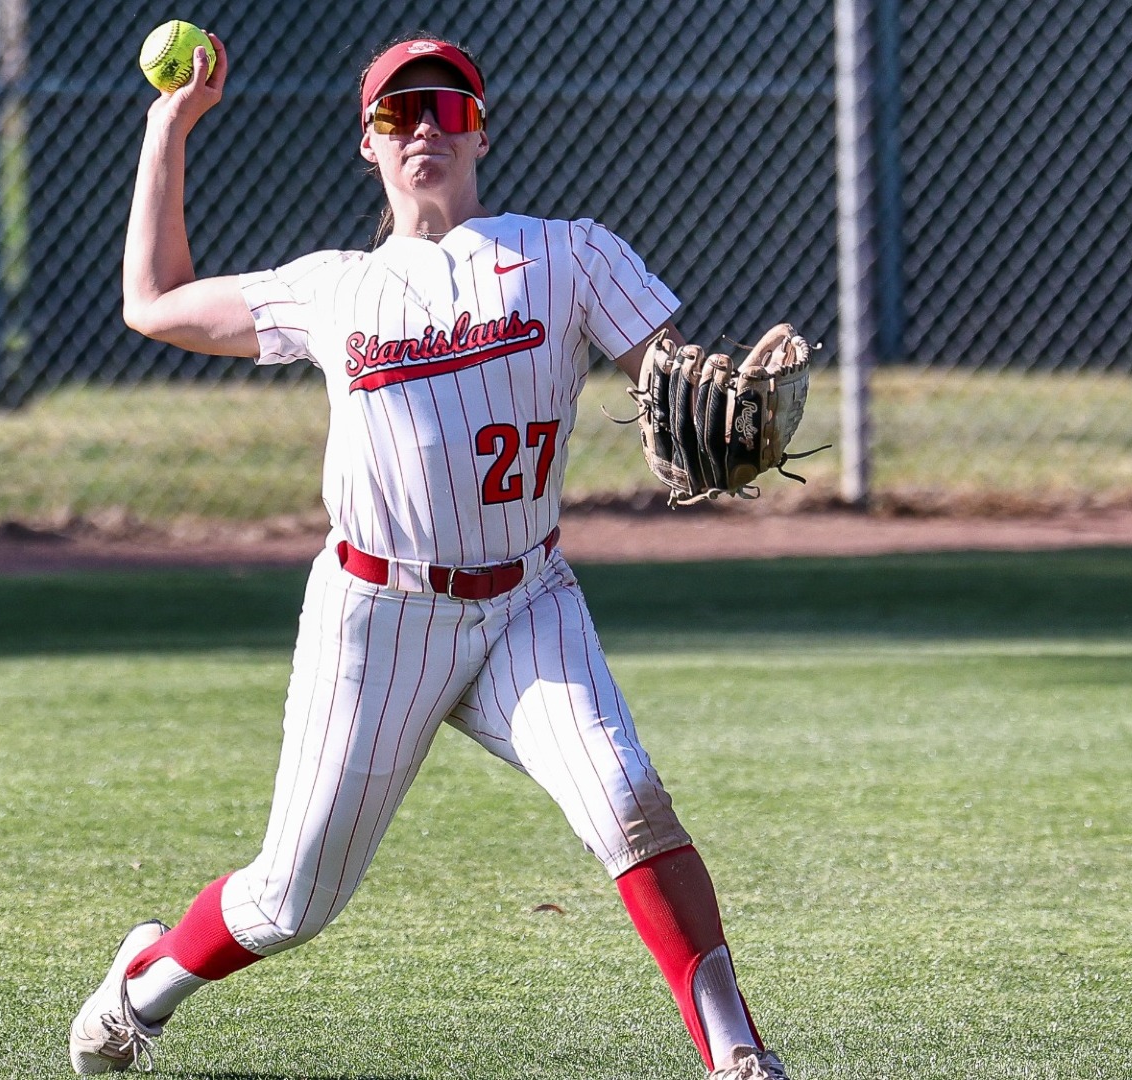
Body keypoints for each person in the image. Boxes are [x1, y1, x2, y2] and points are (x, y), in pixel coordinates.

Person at [69, 31, 787, 1080]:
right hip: (377, 616)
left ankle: (738, 1055)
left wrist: (711, 407)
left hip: (528, 601)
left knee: (627, 799)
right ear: (368, 143)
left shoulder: (568, 253)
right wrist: (165, 128)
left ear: (480, 129)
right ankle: (143, 985)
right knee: (289, 901)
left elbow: (671, 372)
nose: (423, 129)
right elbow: (151, 302)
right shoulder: (335, 289)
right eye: (398, 114)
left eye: (446, 108)